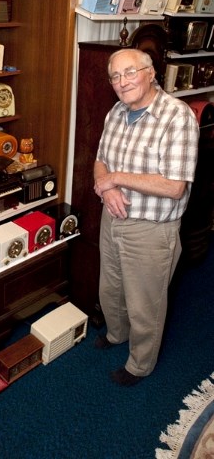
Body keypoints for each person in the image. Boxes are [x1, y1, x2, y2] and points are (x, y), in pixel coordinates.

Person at [93, 48, 200, 386]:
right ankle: (116, 334)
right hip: (113, 217)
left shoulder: (177, 117)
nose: (122, 82)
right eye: (115, 76)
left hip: (152, 229)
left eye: (130, 72)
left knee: (145, 303)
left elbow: (174, 187)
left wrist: (117, 178)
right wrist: (106, 187)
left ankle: (140, 364)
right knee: (110, 289)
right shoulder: (116, 112)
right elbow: (100, 161)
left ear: (151, 73)